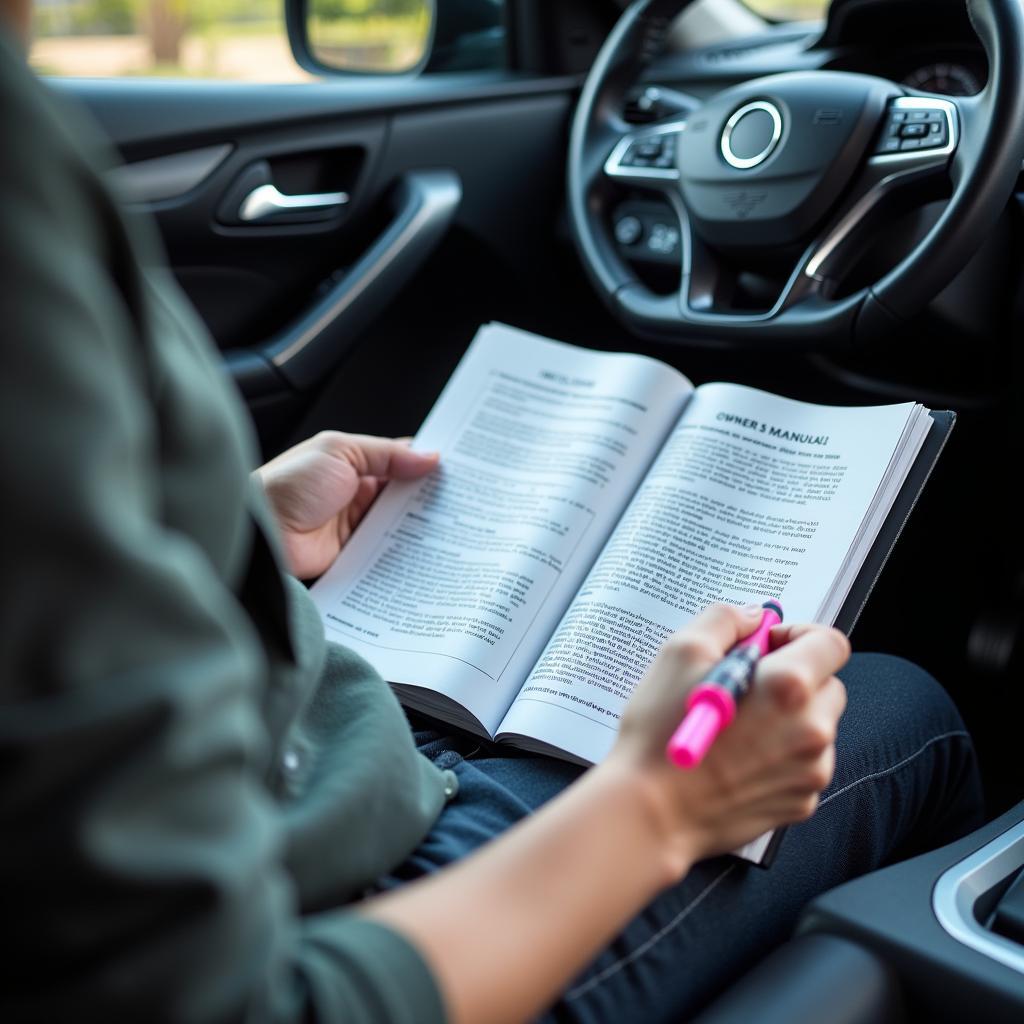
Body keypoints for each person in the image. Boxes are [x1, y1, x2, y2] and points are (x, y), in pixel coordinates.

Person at [0, 6, 983, 1023]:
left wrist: (235, 537)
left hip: (311, 770)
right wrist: (660, 807)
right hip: (352, 903)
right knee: (905, 708)